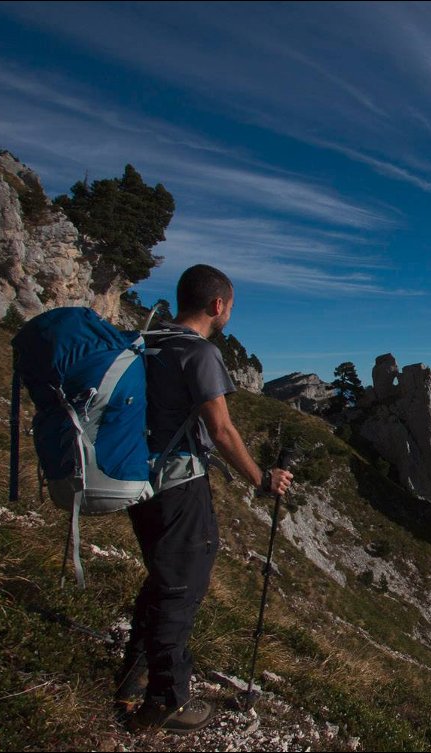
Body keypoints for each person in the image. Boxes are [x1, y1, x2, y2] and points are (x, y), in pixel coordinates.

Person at [114, 264, 293, 734]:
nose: (230, 312)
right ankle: (164, 702)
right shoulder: (199, 353)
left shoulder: (148, 341)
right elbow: (222, 429)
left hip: (139, 481)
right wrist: (260, 479)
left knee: (161, 579)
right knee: (181, 586)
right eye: (231, 305)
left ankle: (134, 679)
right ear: (218, 306)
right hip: (178, 485)